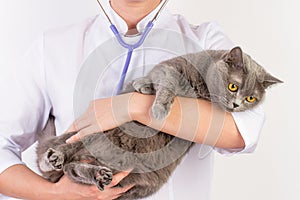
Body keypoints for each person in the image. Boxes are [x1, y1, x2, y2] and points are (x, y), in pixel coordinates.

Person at [0, 0, 265, 199]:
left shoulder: (203, 40)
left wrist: (133, 106)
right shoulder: (52, 47)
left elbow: (244, 130)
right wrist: (56, 194)